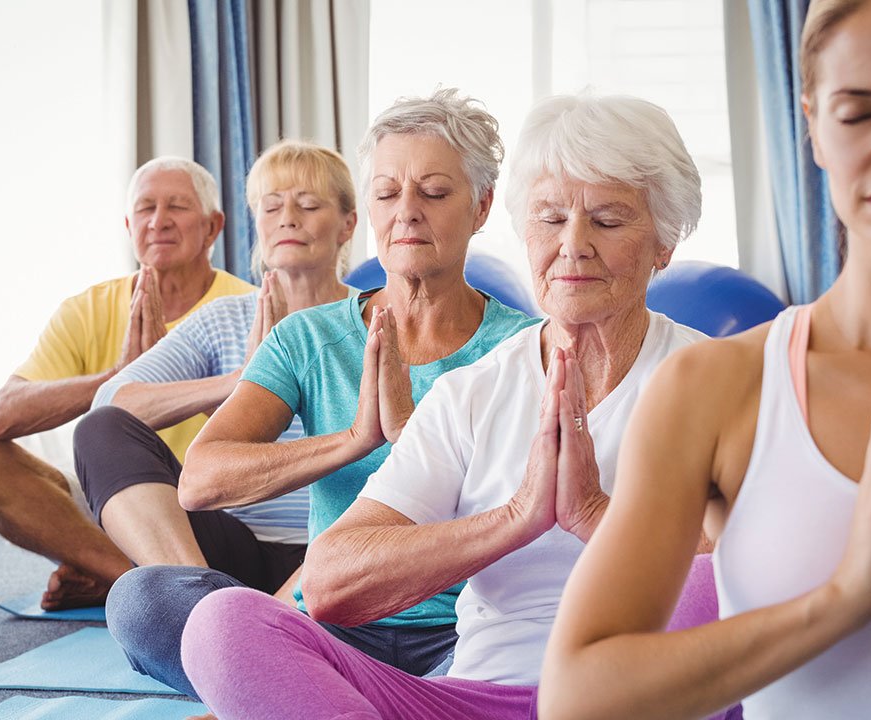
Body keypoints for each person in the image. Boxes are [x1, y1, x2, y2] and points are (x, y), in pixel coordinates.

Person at [176, 91, 721, 720]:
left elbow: (766, 572)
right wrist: (517, 518)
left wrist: (594, 513)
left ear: (663, 244)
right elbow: (328, 584)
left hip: (636, 695)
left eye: (607, 220)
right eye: (549, 218)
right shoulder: (474, 391)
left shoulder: (717, 380)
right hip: (474, 698)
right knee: (224, 622)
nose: (572, 245)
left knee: (712, 594)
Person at [540, 2, 871, 718]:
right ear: (813, 128)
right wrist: (838, 602)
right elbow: (581, 697)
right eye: (856, 114)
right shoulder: (713, 387)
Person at [103, 88, 538, 699]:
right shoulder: (308, 337)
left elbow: (531, 515)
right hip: (329, 627)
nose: (406, 212)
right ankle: (353, 695)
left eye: (435, 193)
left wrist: (415, 441)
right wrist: (356, 439)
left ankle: (314, 697)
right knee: (142, 602)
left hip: (464, 631)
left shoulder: (524, 348)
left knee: (536, 658)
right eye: (387, 193)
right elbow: (200, 480)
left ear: (482, 205)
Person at [73, 140, 359, 627]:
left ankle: (231, 630)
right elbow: (112, 402)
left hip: (340, 550)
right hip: (233, 555)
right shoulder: (224, 319)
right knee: (98, 431)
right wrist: (239, 382)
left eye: (308, 204)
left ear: (348, 224)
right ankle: (205, 613)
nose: (288, 217)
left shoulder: (375, 320)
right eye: (271, 206)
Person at [0, 158, 251, 609]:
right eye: (146, 208)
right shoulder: (87, 308)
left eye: (177, 207)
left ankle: (141, 576)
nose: (159, 221)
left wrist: (172, 380)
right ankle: (123, 575)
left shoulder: (244, 307)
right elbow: (3, 414)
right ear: (130, 225)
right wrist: (120, 377)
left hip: (208, 510)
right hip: (113, 500)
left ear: (212, 227)